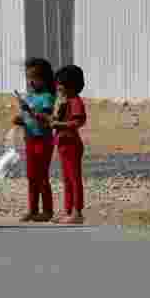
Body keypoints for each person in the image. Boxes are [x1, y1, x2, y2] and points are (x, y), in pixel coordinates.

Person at [13, 58, 58, 222]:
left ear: (44, 79)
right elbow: (28, 117)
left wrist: (29, 112)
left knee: (42, 176)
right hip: (30, 139)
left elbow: (46, 118)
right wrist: (21, 120)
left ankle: (47, 211)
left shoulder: (47, 97)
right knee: (32, 176)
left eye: (34, 78)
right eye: (28, 78)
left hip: (43, 140)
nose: (30, 82)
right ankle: (32, 209)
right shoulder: (30, 96)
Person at [50, 65, 88, 224]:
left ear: (71, 85)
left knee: (74, 179)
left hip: (71, 144)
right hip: (63, 144)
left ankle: (77, 212)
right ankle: (68, 210)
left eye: (61, 84)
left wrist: (60, 125)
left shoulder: (75, 101)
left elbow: (79, 121)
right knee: (66, 179)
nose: (58, 87)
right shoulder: (65, 101)